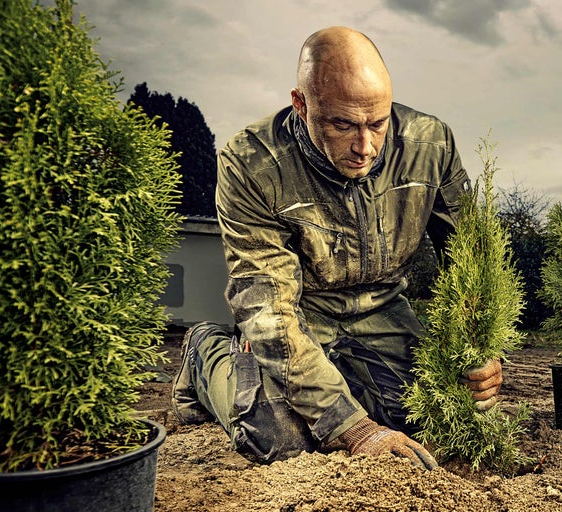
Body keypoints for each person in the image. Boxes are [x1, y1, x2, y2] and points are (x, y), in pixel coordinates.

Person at [172, 26, 504, 471]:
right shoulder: (250, 163)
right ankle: (205, 352)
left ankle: (347, 378)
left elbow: (473, 261)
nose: (364, 147)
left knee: (434, 410)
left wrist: (481, 349)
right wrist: (355, 429)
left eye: (378, 123)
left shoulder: (431, 144)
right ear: (301, 104)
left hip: (383, 310)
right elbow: (269, 308)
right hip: (296, 311)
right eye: (342, 124)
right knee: (279, 437)